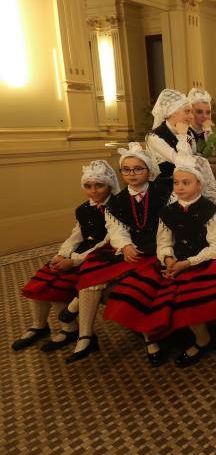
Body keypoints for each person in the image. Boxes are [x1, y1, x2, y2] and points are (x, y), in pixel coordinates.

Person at [103, 143, 216, 367]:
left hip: (203, 261)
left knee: (185, 292)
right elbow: (163, 242)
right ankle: (153, 337)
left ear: (199, 185)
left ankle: (202, 339)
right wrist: (168, 259)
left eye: (186, 183)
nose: (179, 187)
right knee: (144, 288)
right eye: (177, 183)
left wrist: (187, 263)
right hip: (176, 260)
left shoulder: (211, 211)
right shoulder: (167, 212)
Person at [64, 143, 172, 363]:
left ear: (149, 171)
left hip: (156, 250)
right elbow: (116, 229)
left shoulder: (163, 193)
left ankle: (150, 339)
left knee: (137, 285)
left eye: (138, 169)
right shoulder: (117, 202)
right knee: (93, 272)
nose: (131, 174)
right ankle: (85, 336)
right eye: (127, 170)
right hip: (130, 249)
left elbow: (170, 225)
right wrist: (124, 246)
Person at [12, 161, 119, 352]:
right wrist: (62, 254)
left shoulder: (117, 207)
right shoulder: (83, 208)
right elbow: (76, 235)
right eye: (88, 186)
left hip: (100, 256)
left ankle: (71, 329)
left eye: (99, 185)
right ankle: (40, 326)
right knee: (45, 278)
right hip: (79, 253)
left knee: (59, 283)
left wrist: (74, 261)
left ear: (109, 185)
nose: (93, 191)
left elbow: (107, 242)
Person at [146, 88, 196, 185]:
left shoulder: (189, 132)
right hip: (165, 188)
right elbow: (183, 164)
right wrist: (182, 136)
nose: (192, 116)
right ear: (172, 112)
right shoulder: (154, 137)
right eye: (187, 111)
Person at [187, 87, 215, 151]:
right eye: (199, 112)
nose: (205, 116)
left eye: (208, 112)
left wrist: (209, 132)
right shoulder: (185, 134)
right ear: (191, 112)